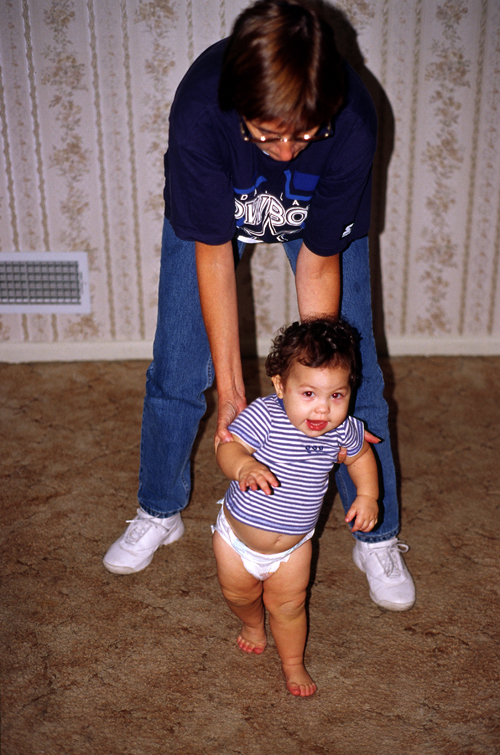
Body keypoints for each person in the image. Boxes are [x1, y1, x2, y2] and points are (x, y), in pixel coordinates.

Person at [103, 0, 415, 612]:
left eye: (305, 134)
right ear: (240, 110)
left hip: (316, 220)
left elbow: (320, 260)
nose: (288, 151)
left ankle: (378, 534)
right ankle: (158, 509)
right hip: (217, 220)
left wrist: (321, 382)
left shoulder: (348, 122)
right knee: (178, 369)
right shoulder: (201, 114)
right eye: (269, 136)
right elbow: (213, 254)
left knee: (357, 379)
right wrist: (231, 388)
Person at [213, 318, 379, 697]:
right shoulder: (265, 415)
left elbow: (360, 456)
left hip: (294, 546)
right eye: (308, 394)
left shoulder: (344, 429)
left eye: (337, 396)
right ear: (280, 385)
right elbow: (228, 446)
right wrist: (244, 466)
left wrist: (368, 495)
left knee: (289, 606)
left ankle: (293, 663)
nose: (323, 410)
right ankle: (253, 625)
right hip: (236, 541)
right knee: (239, 595)